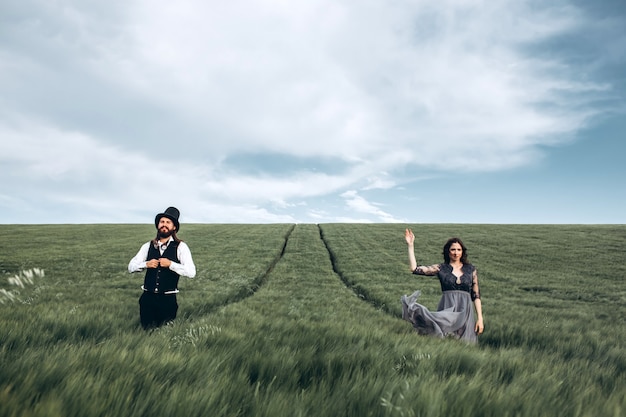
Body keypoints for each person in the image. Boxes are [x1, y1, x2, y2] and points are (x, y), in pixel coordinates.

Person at [401, 228, 484, 343]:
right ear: (448, 252)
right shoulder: (441, 268)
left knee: (466, 342)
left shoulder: (471, 269)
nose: (456, 252)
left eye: (459, 250)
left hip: (466, 309)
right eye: (453, 249)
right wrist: (410, 245)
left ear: (462, 252)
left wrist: (480, 318)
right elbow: (414, 269)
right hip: (447, 307)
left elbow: (476, 295)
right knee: (445, 338)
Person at [128, 207, 196, 329]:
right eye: (162, 222)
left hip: (168, 300)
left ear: (174, 227)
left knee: (165, 336)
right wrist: (145, 264)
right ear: (158, 225)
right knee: (146, 334)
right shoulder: (147, 246)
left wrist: (171, 264)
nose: (164, 225)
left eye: (168, 222)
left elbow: (191, 272)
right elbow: (131, 266)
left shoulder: (181, 247)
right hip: (147, 299)